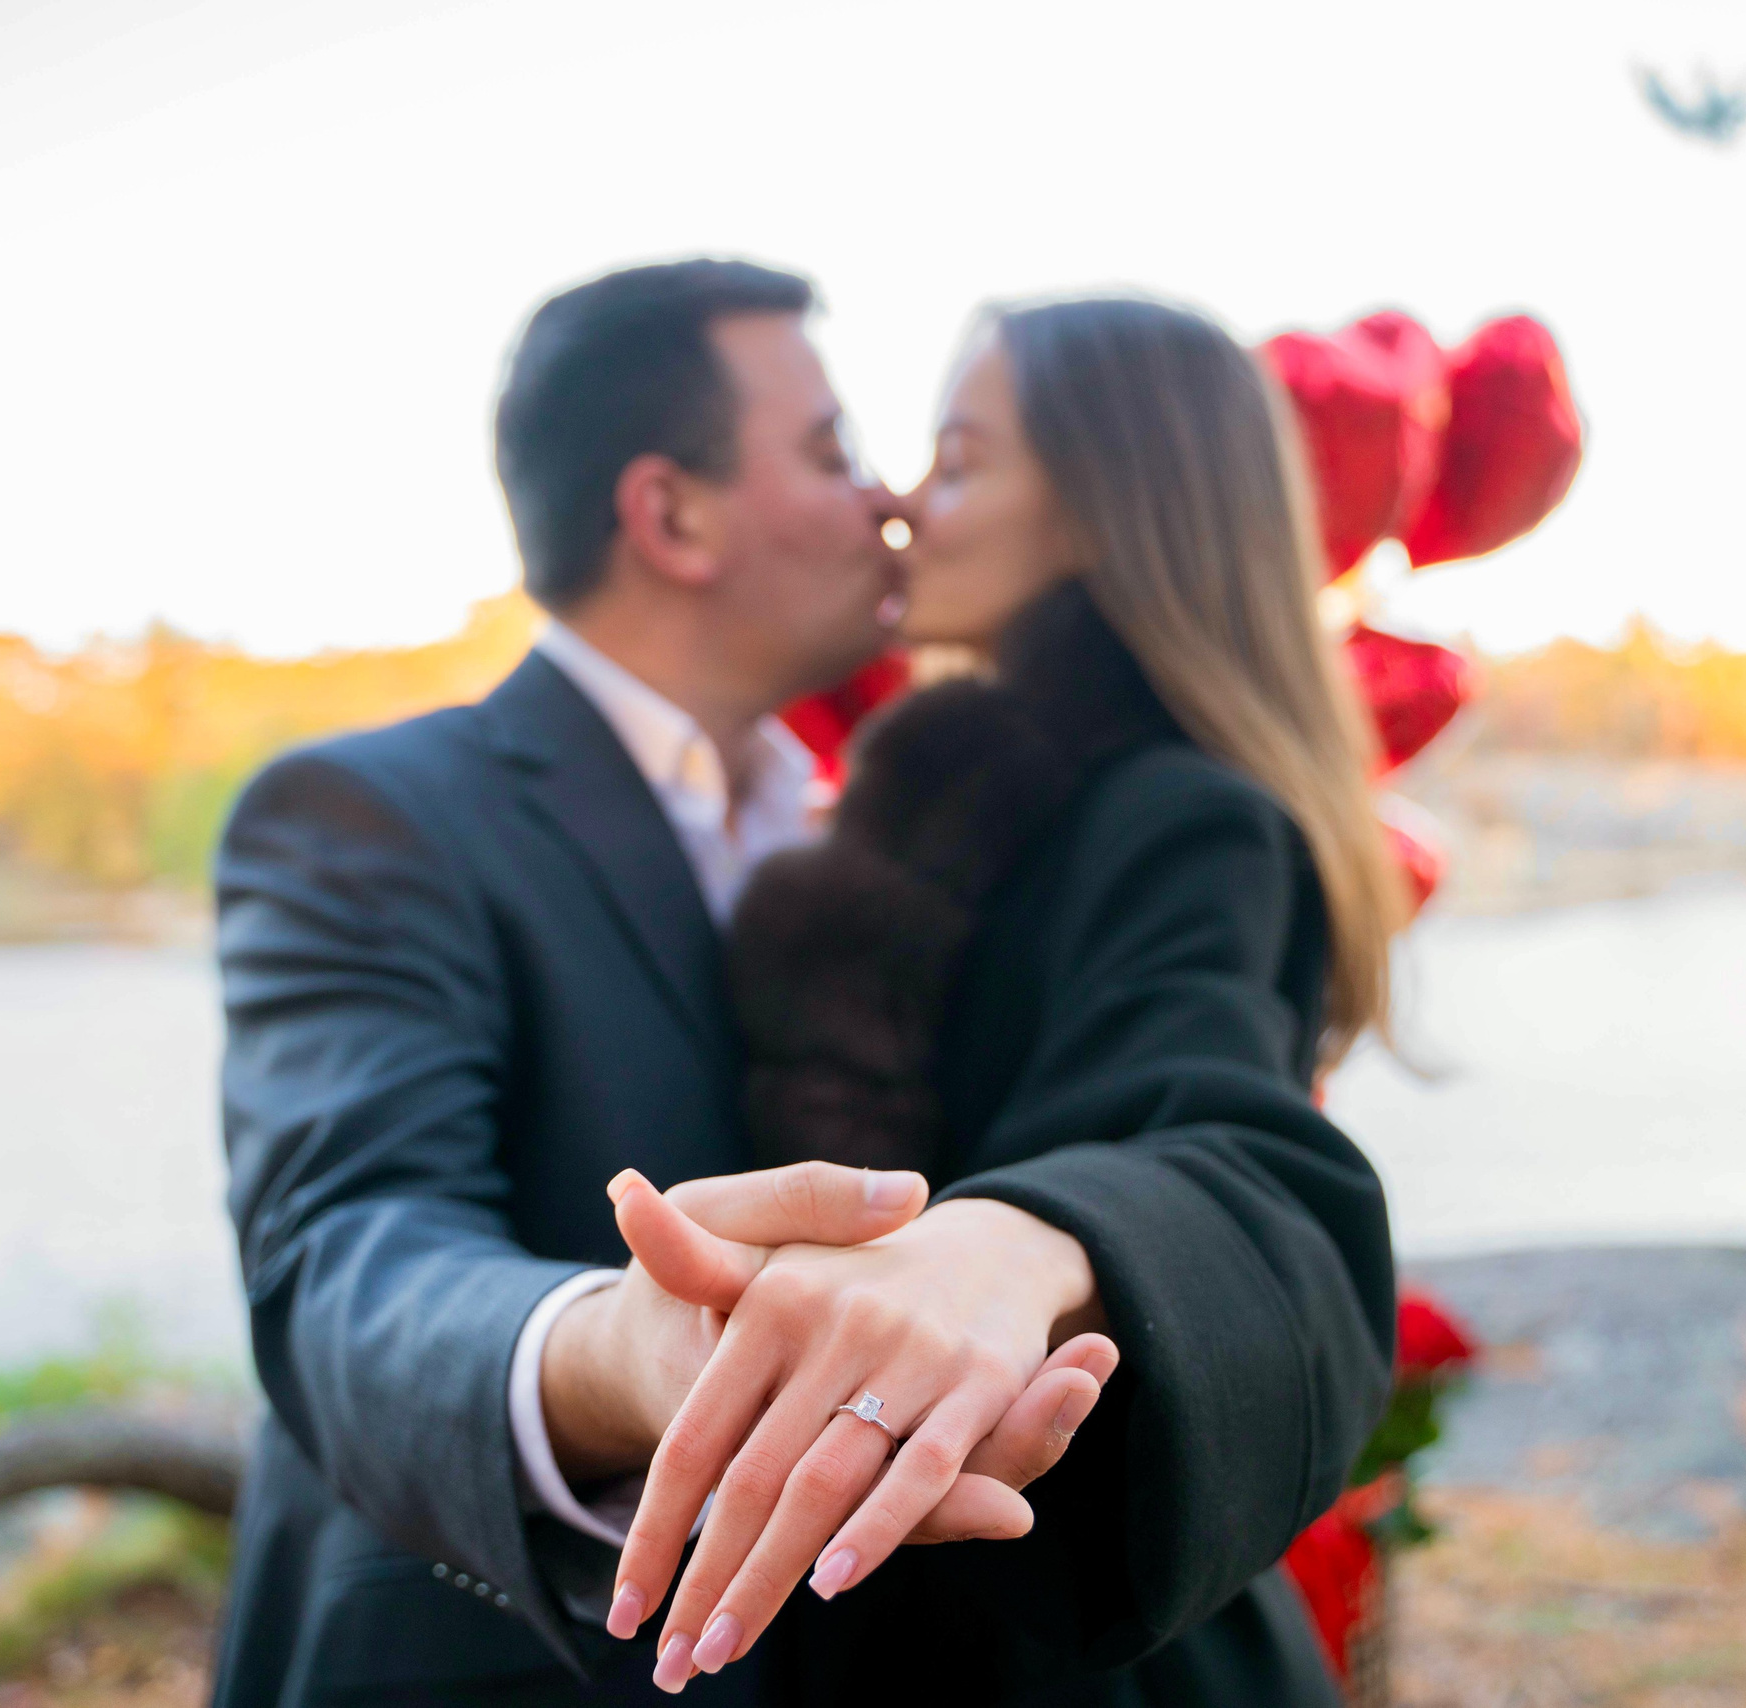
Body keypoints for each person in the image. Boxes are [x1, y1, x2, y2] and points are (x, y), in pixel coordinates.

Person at [210, 259, 1125, 1708]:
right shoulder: (367, 816)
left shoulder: (869, 836)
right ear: (671, 515)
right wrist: (615, 1350)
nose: (889, 501)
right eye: (832, 450)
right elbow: (344, 1260)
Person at [597, 296, 1401, 1703]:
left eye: (961, 461)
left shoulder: (1184, 819)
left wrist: (1020, 1240)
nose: (907, 500)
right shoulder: (957, 813)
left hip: (1082, 1651)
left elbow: (1219, 1134)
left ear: (1106, 510)